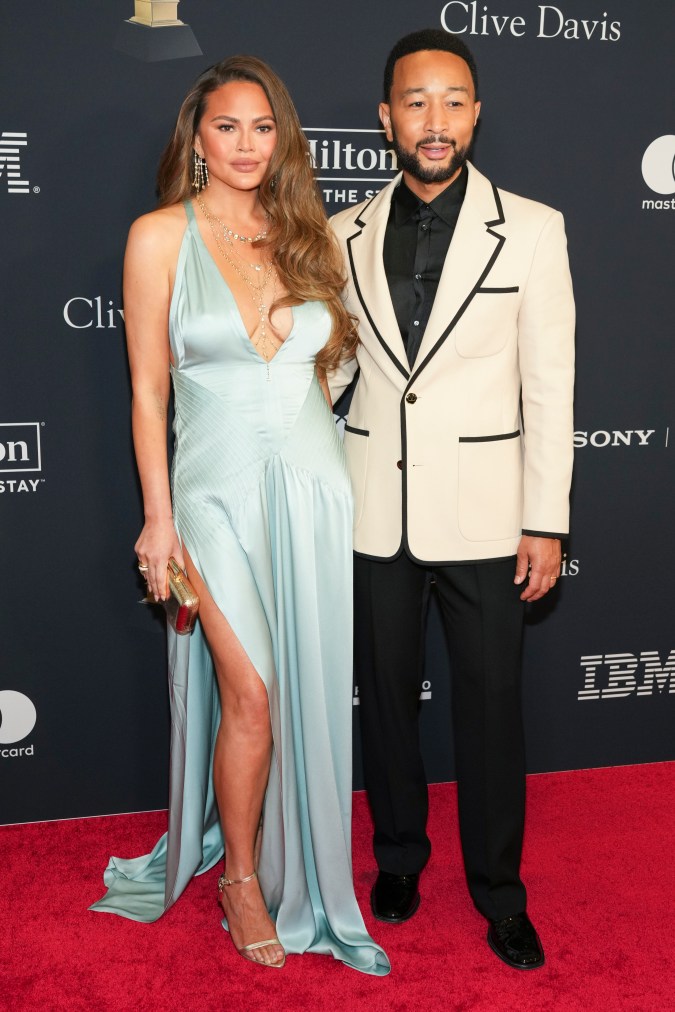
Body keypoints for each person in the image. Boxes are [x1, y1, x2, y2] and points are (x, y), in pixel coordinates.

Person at [90, 55, 389, 977]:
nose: (248, 144)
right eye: (228, 127)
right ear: (196, 138)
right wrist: (157, 518)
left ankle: (294, 865)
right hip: (211, 496)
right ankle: (243, 879)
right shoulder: (158, 239)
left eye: (264, 127)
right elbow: (146, 394)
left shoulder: (310, 237)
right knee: (250, 691)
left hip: (309, 486)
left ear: (282, 137)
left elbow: (326, 370)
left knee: (296, 689)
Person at [328, 29, 575, 970]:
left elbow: (550, 383)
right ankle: (397, 858)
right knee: (385, 702)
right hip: (371, 510)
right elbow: (337, 369)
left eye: (453, 101)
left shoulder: (536, 227)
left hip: (484, 513)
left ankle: (499, 893)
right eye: (415, 102)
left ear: (476, 112)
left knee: (489, 708)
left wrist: (544, 517)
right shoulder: (342, 231)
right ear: (387, 117)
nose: (435, 121)